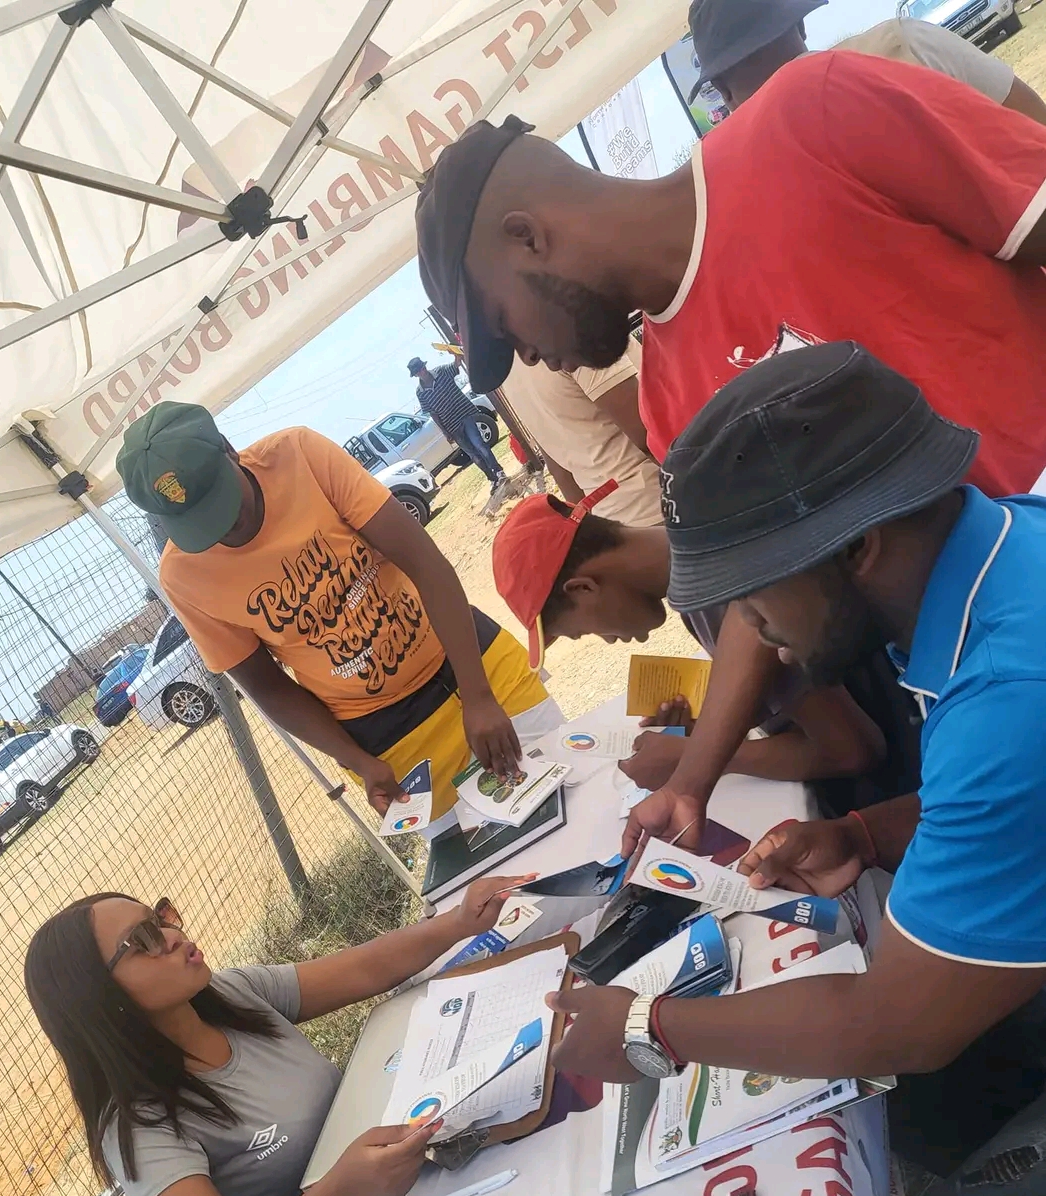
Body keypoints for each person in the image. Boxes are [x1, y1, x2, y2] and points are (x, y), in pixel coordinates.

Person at [544, 342, 1046, 1196]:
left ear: (856, 547)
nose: (748, 631)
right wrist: (862, 831)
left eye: (754, 594)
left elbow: (895, 1026)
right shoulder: (1004, 555)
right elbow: (1002, 807)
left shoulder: (1012, 681)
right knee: (932, 1108)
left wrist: (649, 1028)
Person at [414, 51, 1046, 856]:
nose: (529, 358)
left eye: (506, 328)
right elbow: (759, 597)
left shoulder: (810, 118)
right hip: (990, 697)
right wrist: (691, 781)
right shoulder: (667, 402)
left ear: (527, 236)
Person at [24, 875, 528, 1196]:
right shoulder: (140, 1124)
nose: (172, 935)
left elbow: (364, 968)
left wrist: (459, 922)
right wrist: (344, 1188)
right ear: (98, 999)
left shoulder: (233, 996)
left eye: (161, 918)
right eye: (143, 940)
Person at [117, 403, 561, 821]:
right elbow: (268, 687)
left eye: (221, 499)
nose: (224, 524)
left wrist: (478, 696)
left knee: (569, 789)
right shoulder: (183, 575)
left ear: (230, 450)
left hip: (471, 663)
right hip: (386, 735)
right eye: (200, 522)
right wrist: (359, 762)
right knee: (479, 862)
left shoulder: (299, 456)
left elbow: (424, 562)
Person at [491, 487, 907, 814]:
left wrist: (696, 754)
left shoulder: (713, 595)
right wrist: (713, 722)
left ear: (583, 588)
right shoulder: (692, 556)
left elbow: (851, 751)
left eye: (582, 632)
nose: (608, 640)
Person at [687, 0, 1046, 123]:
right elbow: (1031, 118)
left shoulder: (754, 183)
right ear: (801, 26)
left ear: (723, 92)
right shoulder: (904, 42)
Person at [497, 342, 663, 527]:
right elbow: (649, 433)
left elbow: (559, 469)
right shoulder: (566, 331)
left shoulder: (507, 370)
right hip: (659, 500)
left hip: (613, 518)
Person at [407, 356, 507, 493]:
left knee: (479, 444)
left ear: (425, 366)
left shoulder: (441, 371)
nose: (422, 372)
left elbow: (455, 365)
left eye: (422, 368)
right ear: (415, 375)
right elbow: (432, 413)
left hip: (465, 414)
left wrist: (456, 355)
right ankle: (492, 479)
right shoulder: (420, 393)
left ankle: (498, 471)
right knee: (473, 455)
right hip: (451, 426)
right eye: (418, 372)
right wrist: (444, 432)